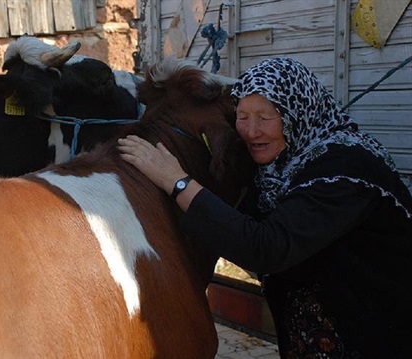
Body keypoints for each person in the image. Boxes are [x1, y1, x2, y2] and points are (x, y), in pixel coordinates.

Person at [118, 57, 412, 358]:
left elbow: (267, 248)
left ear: (297, 111)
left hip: (376, 332)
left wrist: (177, 181)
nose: (251, 131)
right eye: (242, 117)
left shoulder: (344, 167)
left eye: (265, 117)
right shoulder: (280, 167)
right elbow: (241, 218)